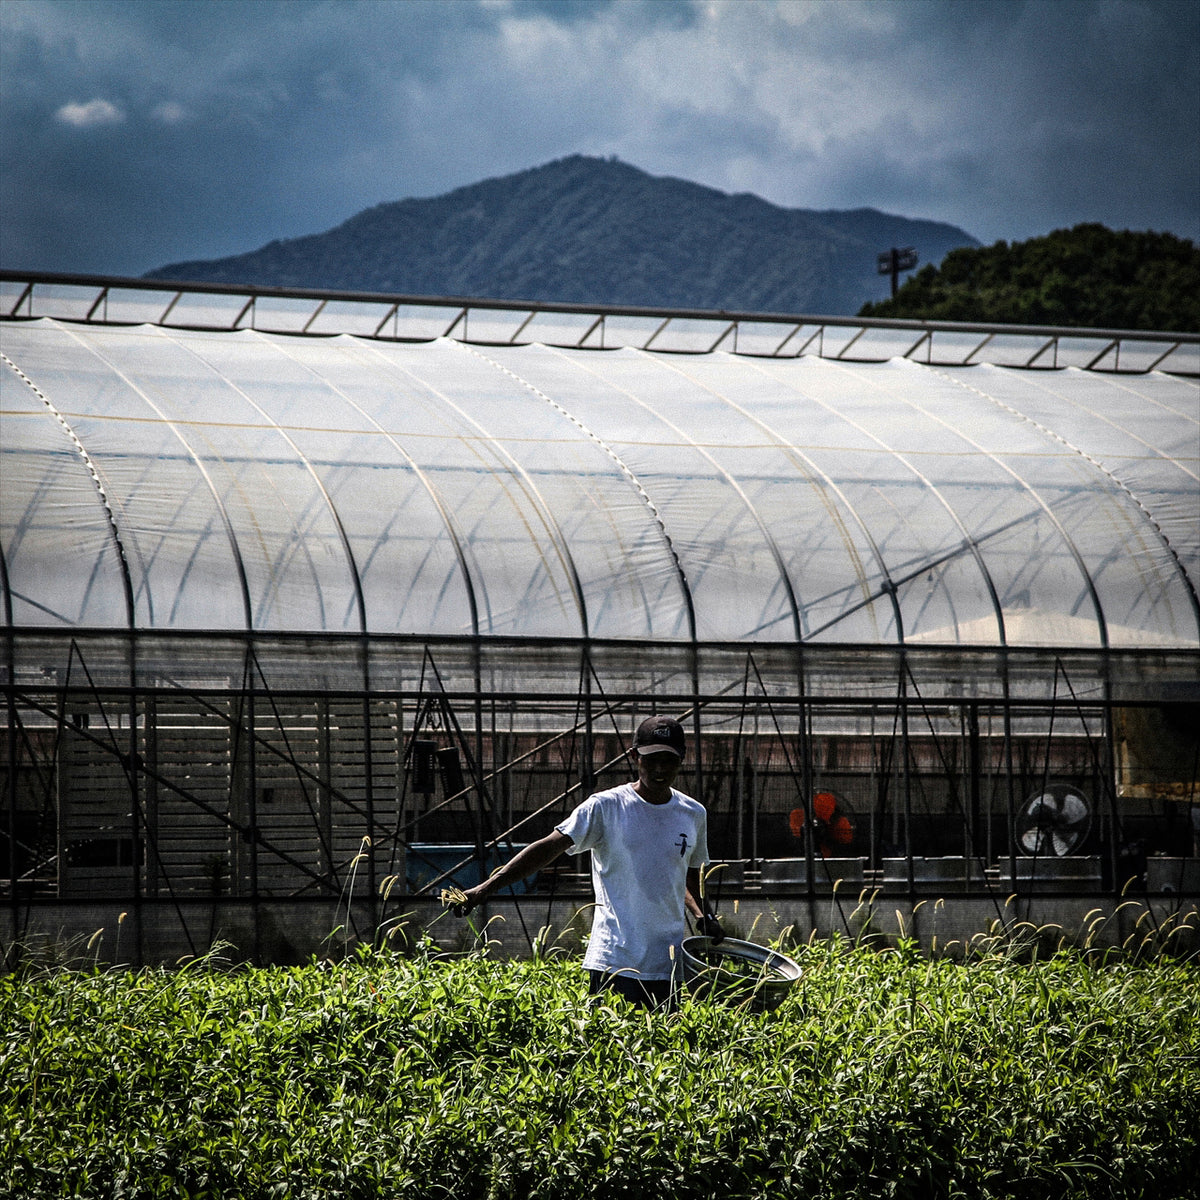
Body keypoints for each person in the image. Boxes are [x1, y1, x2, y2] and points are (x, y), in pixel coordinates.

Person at [453, 715, 724, 1009]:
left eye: (668, 760)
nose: (659, 769)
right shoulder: (606, 807)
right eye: (651, 759)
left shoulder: (692, 814)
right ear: (634, 757)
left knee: (662, 1049)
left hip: (667, 964)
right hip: (615, 961)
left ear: (681, 760)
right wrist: (485, 889)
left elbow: (687, 876)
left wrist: (703, 916)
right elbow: (548, 847)